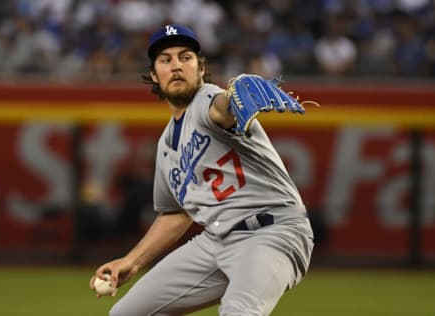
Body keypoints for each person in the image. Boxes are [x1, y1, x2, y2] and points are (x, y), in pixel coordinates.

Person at [90, 23, 314, 316]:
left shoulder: (207, 100)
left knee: (239, 311)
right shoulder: (167, 145)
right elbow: (175, 214)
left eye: (186, 57)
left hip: (271, 233)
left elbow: (222, 109)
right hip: (215, 241)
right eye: (166, 60)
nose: (177, 66)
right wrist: (131, 261)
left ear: (201, 68)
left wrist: (235, 98)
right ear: (155, 75)